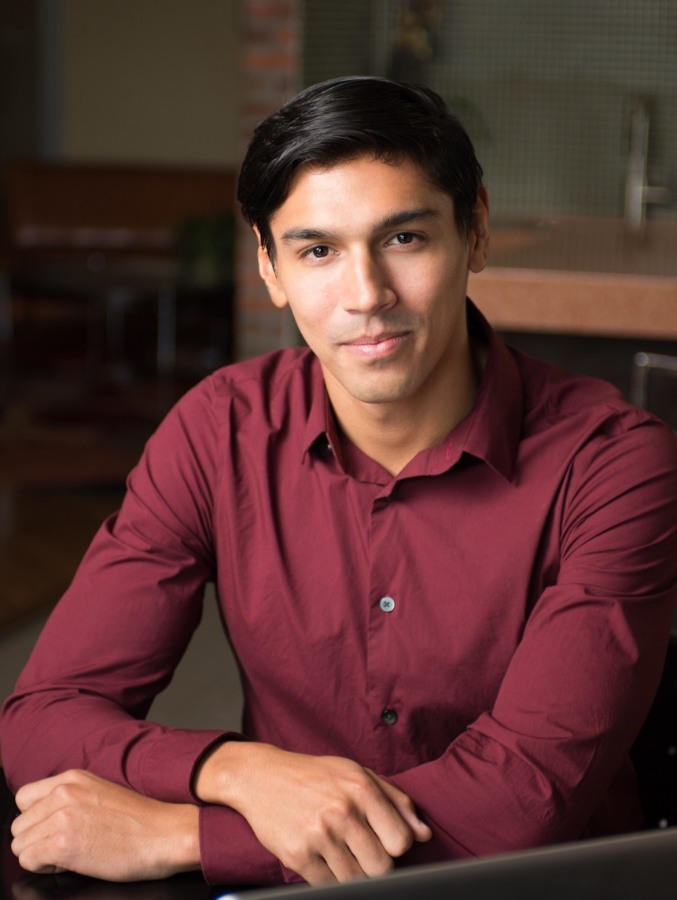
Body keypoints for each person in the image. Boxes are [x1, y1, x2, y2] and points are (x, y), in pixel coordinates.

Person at [2, 76, 677, 888]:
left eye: (403, 240)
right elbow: (43, 717)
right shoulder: (219, 429)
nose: (366, 297)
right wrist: (241, 774)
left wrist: (190, 835)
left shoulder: (614, 462)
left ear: (476, 233)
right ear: (271, 270)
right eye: (316, 250)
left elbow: (520, 799)